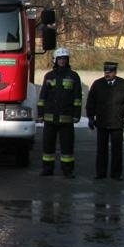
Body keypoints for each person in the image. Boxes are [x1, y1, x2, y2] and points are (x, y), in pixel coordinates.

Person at [36, 47, 82, 178]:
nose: (62, 61)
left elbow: (77, 98)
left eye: (64, 59)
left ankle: (67, 170)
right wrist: (40, 114)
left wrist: (76, 115)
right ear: (55, 60)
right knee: (48, 146)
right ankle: (47, 169)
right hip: (50, 118)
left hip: (66, 119)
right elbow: (43, 96)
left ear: (67, 60)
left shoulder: (73, 76)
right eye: (60, 59)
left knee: (67, 147)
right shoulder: (49, 76)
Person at [86, 61, 124, 180]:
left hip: (117, 122)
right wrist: (91, 117)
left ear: (115, 72)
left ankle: (116, 174)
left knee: (117, 150)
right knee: (102, 150)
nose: (107, 74)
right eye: (105, 72)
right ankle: (101, 173)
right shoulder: (98, 84)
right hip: (102, 122)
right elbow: (91, 102)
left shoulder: (123, 84)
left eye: (110, 72)